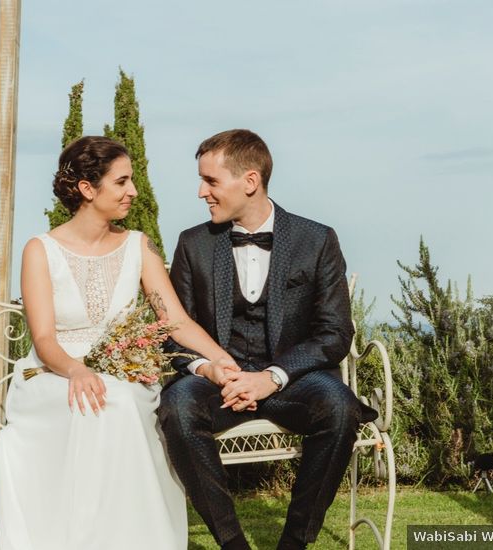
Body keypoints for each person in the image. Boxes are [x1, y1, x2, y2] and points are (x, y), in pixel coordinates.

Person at [0, 136, 238, 550]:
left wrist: (224, 361)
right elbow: (44, 337)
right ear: (88, 189)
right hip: (52, 376)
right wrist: (76, 369)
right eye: (122, 182)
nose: (133, 191)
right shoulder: (41, 250)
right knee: (101, 402)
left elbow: (174, 321)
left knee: (118, 401)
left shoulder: (137, 246)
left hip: (123, 376)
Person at [159, 129, 378, 550]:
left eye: (211, 181)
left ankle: (295, 542)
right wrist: (212, 369)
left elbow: (335, 333)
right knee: (177, 407)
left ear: (251, 181)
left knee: (339, 407)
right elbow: (175, 336)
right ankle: (232, 543)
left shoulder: (316, 240)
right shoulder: (193, 244)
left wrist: (273, 377)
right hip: (216, 382)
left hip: (293, 380)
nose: (201, 191)